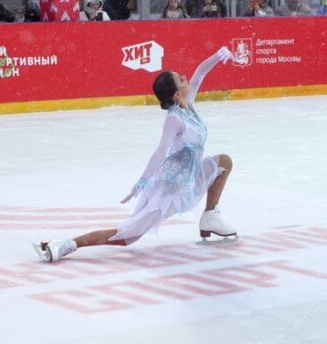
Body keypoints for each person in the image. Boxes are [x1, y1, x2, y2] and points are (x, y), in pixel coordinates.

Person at [33, 46, 238, 262]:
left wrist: (218, 56)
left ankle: (209, 216)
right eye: (181, 79)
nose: (186, 78)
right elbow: (160, 152)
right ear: (177, 93)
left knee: (224, 162)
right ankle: (65, 244)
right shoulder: (174, 119)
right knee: (126, 236)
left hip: (190, 175)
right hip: (171, 187)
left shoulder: (189, 105)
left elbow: (199, 73)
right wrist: (142, 181)